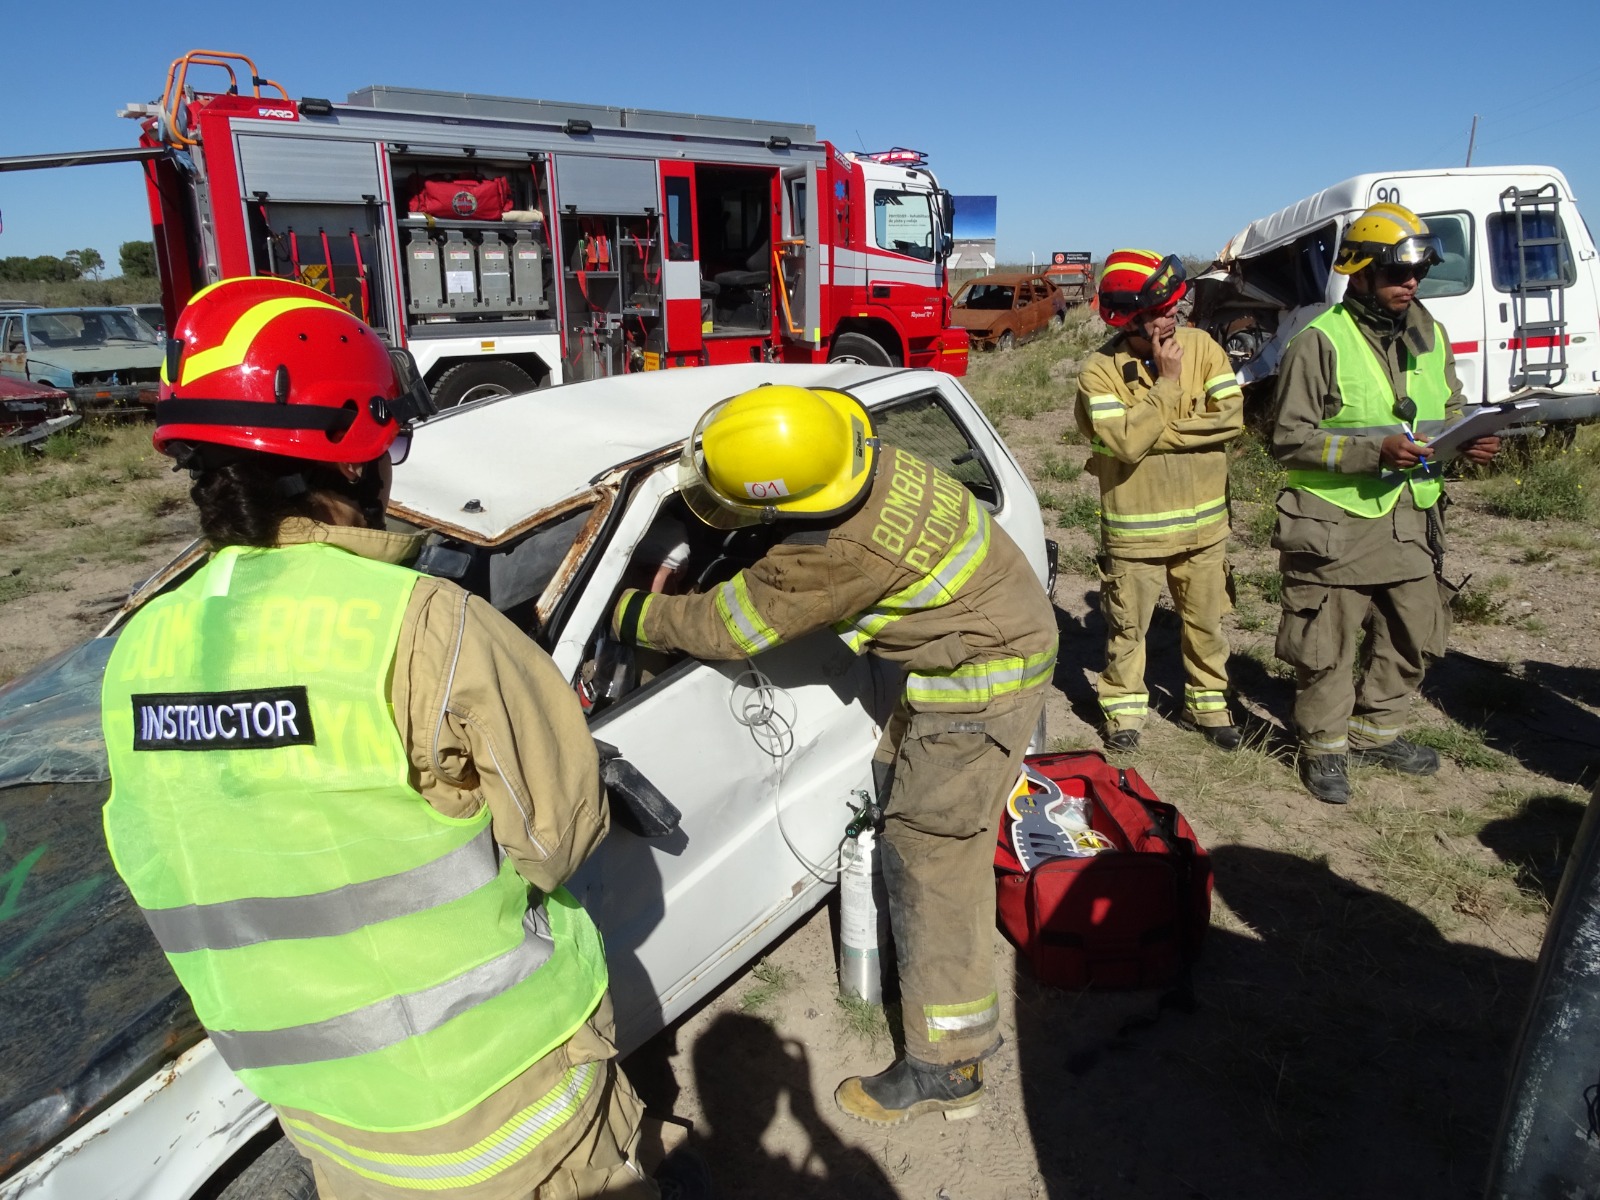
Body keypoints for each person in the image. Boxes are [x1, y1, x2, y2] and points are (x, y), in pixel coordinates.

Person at [100, 277, 661, 1199]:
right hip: (506, 1104)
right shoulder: (425, 624)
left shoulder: (140, 650)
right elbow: (556, 842)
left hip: (329, 1116)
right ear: (357, 462)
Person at [608, 383, 1057, 1125]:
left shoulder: (827, 551)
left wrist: (632, 612)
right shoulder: (863, 454)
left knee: (931, 853)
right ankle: (913, 958)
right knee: (897, 786)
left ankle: (949, 1063)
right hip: (980, 642)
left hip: (981, 679)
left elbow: (728, 630)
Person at [1270, 203, 1500, 804]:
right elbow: (1288, 439)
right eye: (1399, 274)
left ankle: (1377, 731)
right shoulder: (1318, 342)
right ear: (1362, 272)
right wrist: (1375, 451)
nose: (1411, 285)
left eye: (1418, 273)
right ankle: (1323, 748)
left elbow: (1446, 409)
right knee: (1326, 643)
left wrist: (1468, 438)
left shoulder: (1431, 334)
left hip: (1412, 519)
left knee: (1412, 631)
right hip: (1335, 526)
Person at [1075, 249, 1245, 753]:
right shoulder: (1098, 372)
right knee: (1128, 630)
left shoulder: (1205, 348)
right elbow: (1124, 444)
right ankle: (1124, 713)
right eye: (1161, 308)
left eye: (1174, 303)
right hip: (1135, 536)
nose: (1174, 313)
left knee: (1207, 624)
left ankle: (1208, 705)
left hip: (1206, 531)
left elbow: (1230, 420)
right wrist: (1169, 387)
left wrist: (1151, 428)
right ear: (1130, 317)